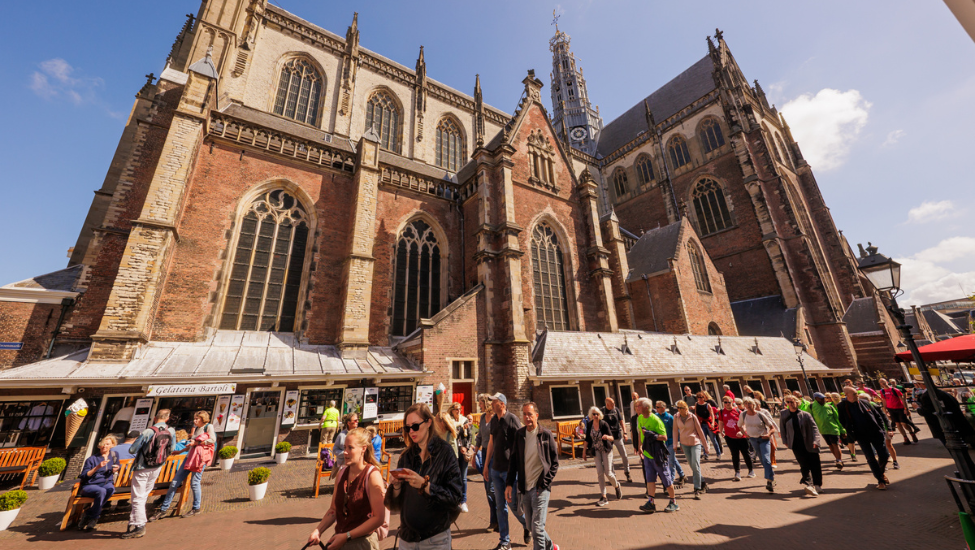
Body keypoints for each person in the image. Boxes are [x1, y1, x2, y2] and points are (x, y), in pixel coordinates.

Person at [390, 403, 462, 549]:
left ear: (429, 422)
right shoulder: (406, 456)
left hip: (435, 539)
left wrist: (425, 486)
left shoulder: (445, 453)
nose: (411, 431)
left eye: (415, 426)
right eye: (407, 427)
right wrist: (396, 487)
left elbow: (455, 497)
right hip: (407, 539)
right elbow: (396, 505)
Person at [308, 427, 387, 550]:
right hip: (341, 539)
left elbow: (378, 518)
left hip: (362, 543)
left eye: (350, 448)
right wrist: (318, 530)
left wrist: (347, 536)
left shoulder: (372, 475)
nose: (345, 452)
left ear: (363, 449)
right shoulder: (342, 472)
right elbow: (333, 509)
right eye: (344, 447)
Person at [505, 402, 560, 550]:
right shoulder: (519, 435)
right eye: (524, 414)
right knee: (531, 526)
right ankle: (551, 546)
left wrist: (545, 482)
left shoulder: (546, 434)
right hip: (525, 488)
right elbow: (514, 461)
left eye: (530, 414)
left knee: (536, 528)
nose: (527, 417)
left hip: (540, 488)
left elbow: (555, 463)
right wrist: (509, 484)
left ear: (537, 415)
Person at [150, 411, 216, 521]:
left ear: (203, 419)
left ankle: (196, 508)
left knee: (195, 483)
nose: (194, 421)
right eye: (194, 419)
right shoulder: (196, 428)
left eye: (197, 419)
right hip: (189, 457)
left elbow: (212, 440)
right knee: (174, 482)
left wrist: (198, 443)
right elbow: (192, 445)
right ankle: (163, 509)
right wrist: (181, 451)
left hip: (199, 459)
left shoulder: (208, 427)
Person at [483, 393, 528, 550]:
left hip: (510, 471)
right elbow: (491, 443)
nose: (492, 403)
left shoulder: (512, 419)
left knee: (514, 505)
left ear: (502, 404)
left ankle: (527, 525)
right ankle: (505, 541)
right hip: (495, 470)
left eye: (494, 401)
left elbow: (523, 440)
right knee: (499, 506)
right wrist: (486, 464)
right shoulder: (494, 420)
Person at [122, 409, 175, 539]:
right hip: (157, 467)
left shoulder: (148, 431)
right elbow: (172, 449)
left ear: (155, 418)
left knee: (138, 497)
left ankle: (139, 525)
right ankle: (134, 522)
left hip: (143, 467)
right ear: (167, 419)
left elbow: (132, 449)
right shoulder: (171, 431)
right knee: (143, 495)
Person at [837, 386, 890, 490]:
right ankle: (880, 480)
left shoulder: (864, 402)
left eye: (857, 393)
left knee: (884, 455)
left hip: (876, 432)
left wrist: (882, 430)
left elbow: (877, 415)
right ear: (847, 395)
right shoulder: (842, 406)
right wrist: (850, 431)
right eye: (854, 394)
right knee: (870, 457)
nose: (857, 395)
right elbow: (842, 420)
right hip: (861, 436)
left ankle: (880, 472)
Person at [636, 398, 678, 513]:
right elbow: (640, 432)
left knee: (666, 478)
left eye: (638, 405)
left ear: (645, 407)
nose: (636, 407)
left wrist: (651, 435)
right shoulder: (640, 417)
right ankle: (651, 503)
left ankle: (674, 502)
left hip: (657, 454)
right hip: (647, 454)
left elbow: (664, 437)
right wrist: (640, 446)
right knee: (650, 479)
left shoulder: (656, 420)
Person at [779, 395, 823, 496]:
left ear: (797, 402)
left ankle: (817, 485)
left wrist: (816, 441)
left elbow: (814, 428)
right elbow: (782, 428)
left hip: (810, 442)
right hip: (796, 443)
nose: (791, 403)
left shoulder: (806, 415)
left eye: (792, 401)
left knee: (815, 464)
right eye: (788, 402)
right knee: (803, 464)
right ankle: (809, 485)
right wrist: (785, 440)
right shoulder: (784, 414)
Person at [77, 435, 121, 532]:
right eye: (103, 444)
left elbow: (118, 465)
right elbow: (84, 475)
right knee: (101, 491)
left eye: (107, 444)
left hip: (107, 482)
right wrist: (97, 467)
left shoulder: (114, 455)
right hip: (91, 485)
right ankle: (94, 517)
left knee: (110, 489)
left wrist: (117, 468)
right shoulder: (92, 459)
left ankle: (88, 513)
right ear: (99, 445)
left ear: (112, 445)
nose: (104, 446)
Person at [584, 406, 621, 506]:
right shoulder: (589, 424)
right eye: (593, 414)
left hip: (606, 450)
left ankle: (616, 486)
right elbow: (587, 438)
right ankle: (604, 496)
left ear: (600, 415)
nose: (595, 416)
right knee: (600, 473)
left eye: (597, 414)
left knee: (608, 473)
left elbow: (612, 438)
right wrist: (584, 452)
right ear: (591, 415)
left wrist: (607, 437)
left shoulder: (604, 424)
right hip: (596, 450)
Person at [472, 394, 498, 531]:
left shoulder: (495, 418)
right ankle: (494, 520)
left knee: (492, 489)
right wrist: (474, 454)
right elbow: (480, 437)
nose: (479, 405)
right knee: (488, 489)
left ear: (486, 403)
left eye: (480, 403)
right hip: (484, 453)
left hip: (494, 454)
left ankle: (499, 520)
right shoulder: (482, 418)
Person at [673, 400, 709, 498]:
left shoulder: (692, 417)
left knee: (696, 465)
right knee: (692, 466)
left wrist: (706, 446)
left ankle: (697, 488)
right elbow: (675, 431)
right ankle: (703, 483)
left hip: (695, 443)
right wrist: (675, 444)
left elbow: (700, 431)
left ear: (685, 408)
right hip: (684, 444)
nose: (678, 410)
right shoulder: (676, 417)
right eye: (678, 408)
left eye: (680, 408)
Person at [741, 397, 777, 492]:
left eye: (750, 403)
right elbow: (739, 425)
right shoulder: (743, 414)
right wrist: (745, 434)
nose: (748, 406)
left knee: (766, 459)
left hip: (763, 439)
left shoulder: (760, 415)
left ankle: (769, 481)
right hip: (753, 439)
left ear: (754, 404)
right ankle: (771, 477)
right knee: (762, 460)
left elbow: (772, 428)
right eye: (746, 404)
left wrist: (768, 434)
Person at [718, 395, 753, 481]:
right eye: (725, 402)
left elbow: (745, 423)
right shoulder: (722, 411)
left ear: (732, 402)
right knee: (734, 454)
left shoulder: (738, 411)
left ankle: (751, 470)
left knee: (746, 453)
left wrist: (742, 431)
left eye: (729, 402)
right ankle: (737, 472)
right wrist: (721, 431)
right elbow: (721, 422)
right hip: (730, 437)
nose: (727, 404)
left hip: (742, 437)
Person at [809, 393, 845, 469]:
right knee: (830, 445)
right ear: (816, 398)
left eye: (824, 398)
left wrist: (842, 430)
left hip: (833, 429)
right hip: (822, 430)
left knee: (835, 444)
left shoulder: (829, 406)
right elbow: (809, 418)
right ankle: (838, 460)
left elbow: (837, 419)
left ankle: (839, 460)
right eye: (821, 398)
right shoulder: (811, 407)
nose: (823, 400)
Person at [654, 401, 686, 488]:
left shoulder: (669, 417)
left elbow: (676, 430)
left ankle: (670, 482)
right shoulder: (655, 417)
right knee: (673, 459)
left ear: (663, 408)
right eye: (656, 407)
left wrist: (678, 442)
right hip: (662, 443)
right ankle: (682, 475)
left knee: (670, 462)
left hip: (671, 442)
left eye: (658, 407)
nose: (656, 409)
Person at [879, 378, 918, 445]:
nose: (883, 383)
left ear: (887, 382)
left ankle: (912, 433)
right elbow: (884, 401)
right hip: (891, 409)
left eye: (884, 381)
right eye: (881, 382)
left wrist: (906, 409)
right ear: (880, 384)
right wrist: (885, 411)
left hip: (900, 408)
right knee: (897, 424)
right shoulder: (882, 391)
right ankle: (905, 438)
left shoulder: (895, 390)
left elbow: (903, 399)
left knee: (904, 423)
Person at [601, 397, 631, 482]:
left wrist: (625, 433)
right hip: (608, 437)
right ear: (607, 404)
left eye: (614, 403)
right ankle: (613, 477)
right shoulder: (602, 411)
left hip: (617, 436)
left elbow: (622, 421)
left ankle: (627, 472)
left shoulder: (616, 410)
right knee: (610, 457)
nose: (614, 405)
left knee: (624, 455)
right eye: (612, 404)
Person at [449, 402, 472, 513]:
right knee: (454, 476)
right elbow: (452, 435)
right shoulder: (450, 421)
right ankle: (455, 499)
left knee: (463, 476)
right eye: (456, 409)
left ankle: (463, 501)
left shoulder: (464, 420)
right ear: (452, 410)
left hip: (462, 452)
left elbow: (470, 436)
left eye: (460, 409)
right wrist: (460, 428)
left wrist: (466, 448)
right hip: (453, 452)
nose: (458, 411)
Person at [694, 392, 722, 461]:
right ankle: (706, 454)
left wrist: (712, 423)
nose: (700, 399)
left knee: (713, 439)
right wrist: (696, 423)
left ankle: (718, 454)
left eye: (702, 397)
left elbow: (712, 414)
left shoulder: (707, 405)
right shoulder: (696, 404)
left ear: (704, 398)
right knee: (704, 440)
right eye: (699, 397)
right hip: (701, 424)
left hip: (708, 423)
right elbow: (696, 414)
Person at [332, 413, 360, 479]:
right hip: (344, 465)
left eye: (358, 420)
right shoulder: (341, 435)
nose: (357, 422)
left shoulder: (359, 434)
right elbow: (335, 449)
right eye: (355, 420)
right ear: (349, 423)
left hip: (356, 464)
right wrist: (345, 454)